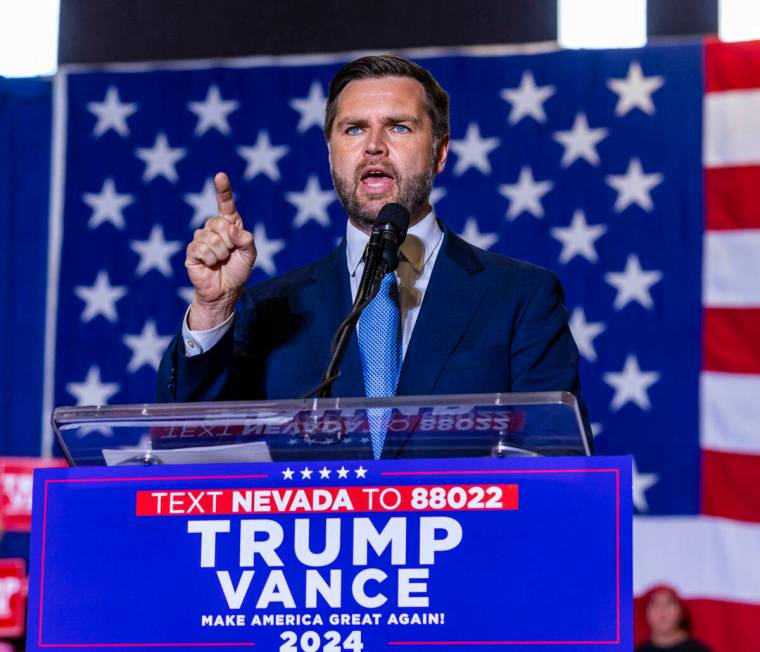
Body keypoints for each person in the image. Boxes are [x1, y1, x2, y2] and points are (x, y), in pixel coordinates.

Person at [156, 55, 591, 454]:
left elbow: (554, 464)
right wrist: (212, 309)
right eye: (354, 128)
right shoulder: (269, 310)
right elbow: (190, 448)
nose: (374, 146)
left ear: (439, 153)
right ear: (330, 154)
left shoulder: (519, 297)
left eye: (399, 127)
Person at [636, 585, 712, 652]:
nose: (662, 610)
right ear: (645, 612)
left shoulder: (698, 650)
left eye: (668, 604)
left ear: (681, 611)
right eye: (655, 605)